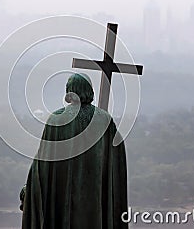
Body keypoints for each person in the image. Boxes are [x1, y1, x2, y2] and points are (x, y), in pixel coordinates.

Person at [21, 73, 128, 229]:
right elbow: (117, 156)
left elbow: (42, 162)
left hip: (61, 196)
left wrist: (29, 188)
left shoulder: (56, 119)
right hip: (95, 198)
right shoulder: (104, 120)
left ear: (70, 90)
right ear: (89, 90)